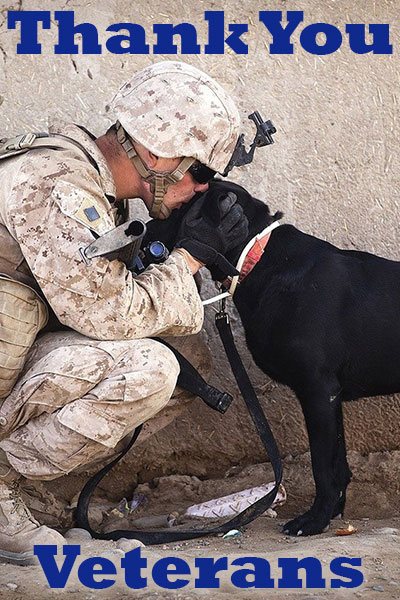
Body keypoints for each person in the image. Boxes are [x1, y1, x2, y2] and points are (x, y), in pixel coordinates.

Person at [0, 61, 250, 565]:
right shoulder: (56, 185)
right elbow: (110, 313)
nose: (202, 188)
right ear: (156, 152)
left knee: (186, 366)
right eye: (200, 172)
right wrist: (187, 260)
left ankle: (12, 487)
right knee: (151, 368)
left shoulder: (84, 177)